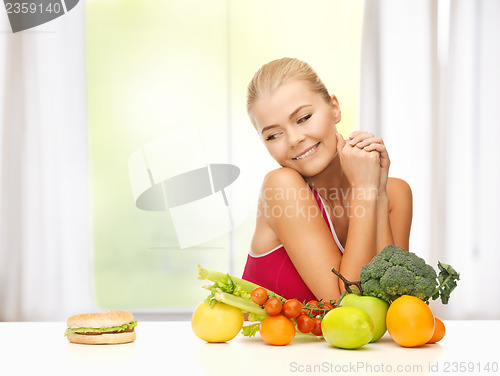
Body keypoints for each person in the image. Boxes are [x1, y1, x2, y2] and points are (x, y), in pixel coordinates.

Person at [241, 57, 412, 303]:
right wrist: (364, 191)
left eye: (303, 118)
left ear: (334, 107)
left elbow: (395, 304)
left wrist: (378, 195)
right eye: (273, 135)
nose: (294, 139)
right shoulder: (281, 187)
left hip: (349, 343)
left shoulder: (395, 193)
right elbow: (345, 305)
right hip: (265, 342)